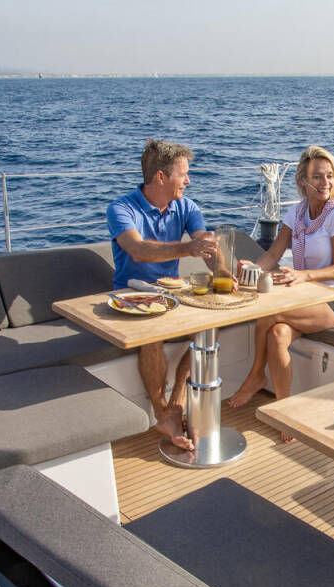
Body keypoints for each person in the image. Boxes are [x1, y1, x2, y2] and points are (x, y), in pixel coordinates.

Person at [227, 146, 334, 439]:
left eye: (329, 176)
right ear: (303, 181)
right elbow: (273, 254)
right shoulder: (296, 212)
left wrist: (303, 275)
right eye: (318, 177)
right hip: (304, 297)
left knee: (270, 312)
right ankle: (284, 411)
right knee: (277, 335)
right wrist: (254, 268)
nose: (325, 182)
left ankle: (256, 376)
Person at [107, 139, 218, 451]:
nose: (188, 180)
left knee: (208, 328)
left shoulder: (187, 207)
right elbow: (138, 250)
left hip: (173, 293)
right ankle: (161, 412)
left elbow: (206, 245)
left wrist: (222, 271)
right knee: (152, 335)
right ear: (160, 177)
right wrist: (188, 248)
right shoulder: (121, 208)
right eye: (183, 174)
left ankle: (177, 403)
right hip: (130, 296)